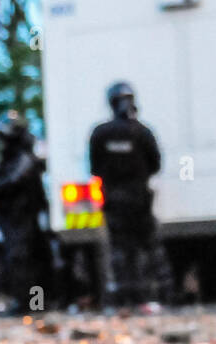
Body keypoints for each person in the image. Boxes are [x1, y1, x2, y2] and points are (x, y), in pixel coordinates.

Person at [89, 82, 165, 311]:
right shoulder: (142, 131)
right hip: (140, 199)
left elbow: (94, 167)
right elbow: (156, 164)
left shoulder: (101, 133)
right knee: (147, 249)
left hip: (114, 200)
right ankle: (151, 296)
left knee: (121, 251)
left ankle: (124, 297)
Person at [0, 113, 48, 312]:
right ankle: (27, 304)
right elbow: (3, 174)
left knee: (24, 263)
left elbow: (11, 182)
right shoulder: (15, 157)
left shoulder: (24, 158)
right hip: (14, 218)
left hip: (22, 218)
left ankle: (32, 305)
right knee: (17, 263)